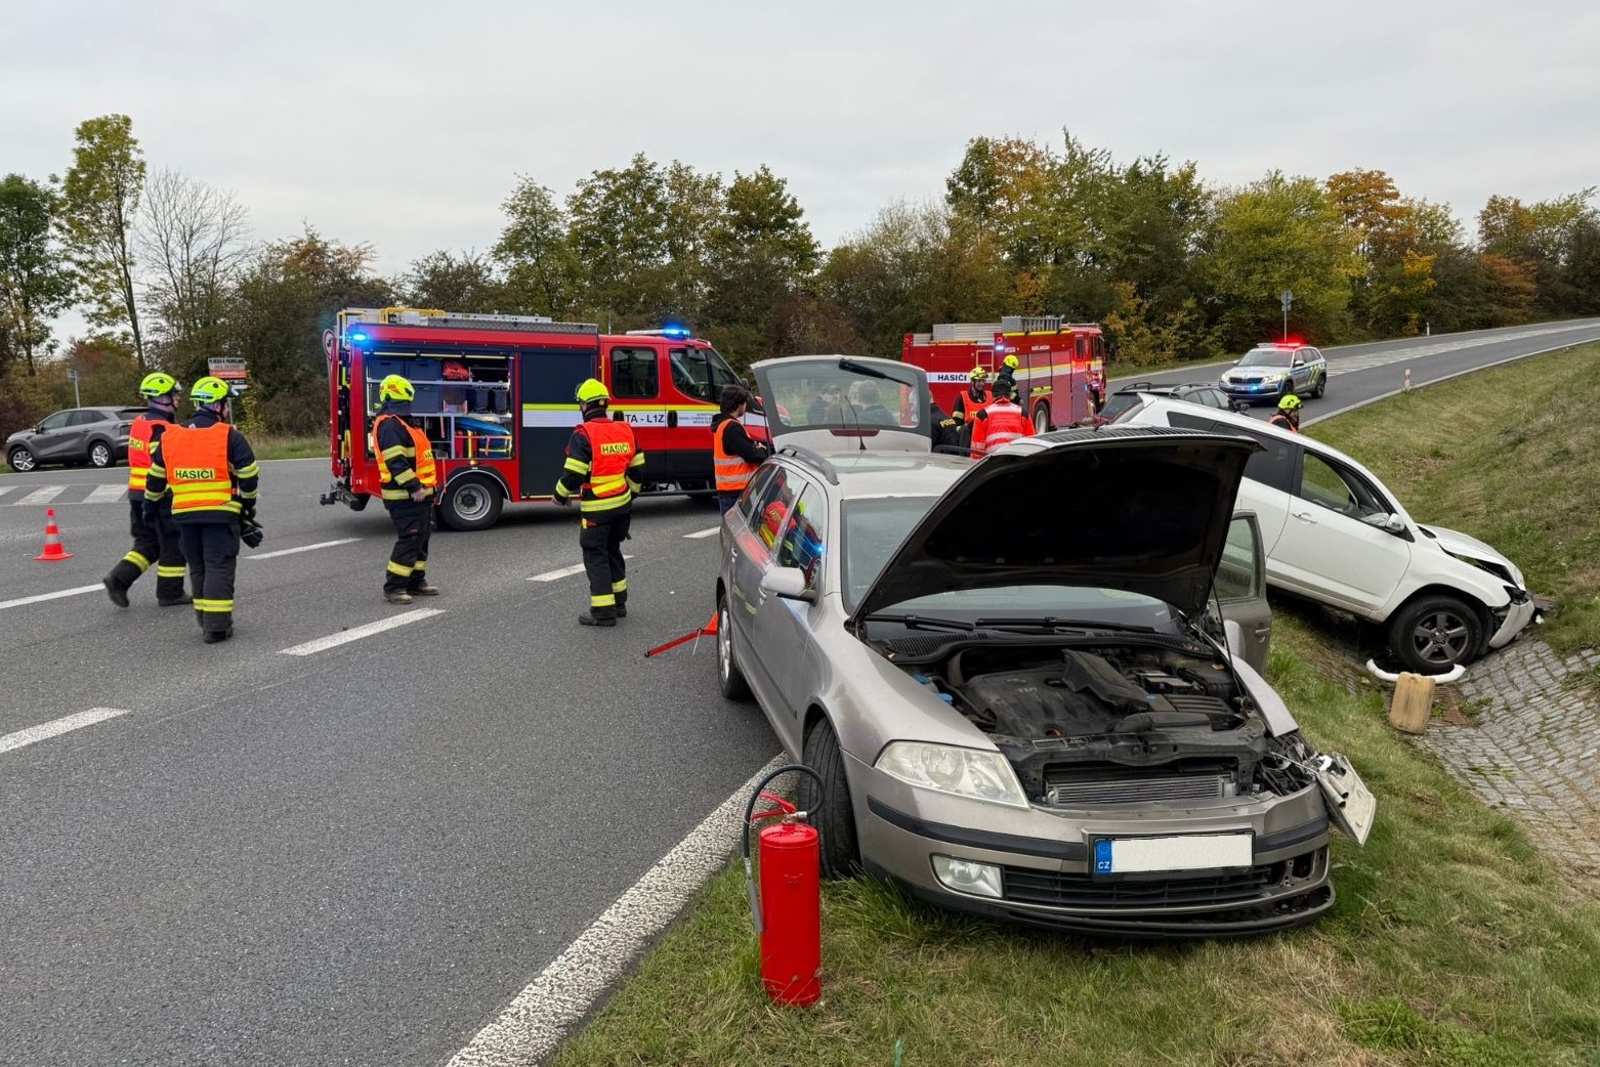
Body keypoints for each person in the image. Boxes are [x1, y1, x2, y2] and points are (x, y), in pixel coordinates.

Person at [142, 376, 259, 644]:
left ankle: (204, 621)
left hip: (184, 514)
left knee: (197, 566)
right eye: (225, 404)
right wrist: (248, 506)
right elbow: (249, 474)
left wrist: (149, 505)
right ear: (216, 405)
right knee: (218, 565)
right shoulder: (228, 434)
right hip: (220, 512)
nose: (227, 410)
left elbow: (156, 477)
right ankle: (217, 626)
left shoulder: (171, 436)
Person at [555, 379, 646, 627]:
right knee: (613, 550)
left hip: (597, 508)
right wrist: (631, 494)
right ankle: (619, 603)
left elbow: (574, 474)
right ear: (605, 403)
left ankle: (603, 611)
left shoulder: (583, 434)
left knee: (595, 555)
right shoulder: (625, 429)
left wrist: (559, 494)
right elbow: (638, 471)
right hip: (622, 507)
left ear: (585, 405)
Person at [103, 372, 190, 609]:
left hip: (136, 494)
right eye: (174, 395)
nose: (178, 399)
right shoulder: (162, 429)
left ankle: (118, 579)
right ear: (163, 398)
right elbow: (161, 464)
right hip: (158, 496)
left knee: (148, 543)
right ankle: (170, 593)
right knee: (173, 543)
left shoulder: (141, 423)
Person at [372, 374, 441, 604]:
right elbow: (396, 461)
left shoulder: (404, 422)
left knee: (421, 537)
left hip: (419, 494)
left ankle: (415, 582)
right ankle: (394, 587)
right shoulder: (390, 424)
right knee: (410, 538)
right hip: (404, 495)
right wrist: (414, 486)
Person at [712, 385, 769, 515]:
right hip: (737, 490)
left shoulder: (722, 425)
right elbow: (752, 455)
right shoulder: (732, 428)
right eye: (745, 404)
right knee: (739, 531)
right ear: (739, 405)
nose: (745, 407)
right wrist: (761, 450)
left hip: (729, 489)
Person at [970, 379, 1033, 456]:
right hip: (1018, 463)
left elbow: (977, 448)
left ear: (992, 395)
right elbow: (1032, 443)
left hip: (993, 464)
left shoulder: (983, 415)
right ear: (1009, 395)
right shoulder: (1023, 413)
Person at [950, 367, 990, 449]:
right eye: (979, 381)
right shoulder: (963, 398)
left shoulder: (989, 396)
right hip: (968, 441)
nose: (982, 384)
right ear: (972, 382)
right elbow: (956, 424)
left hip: (986, 440)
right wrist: (966, 429)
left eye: (983, 381)